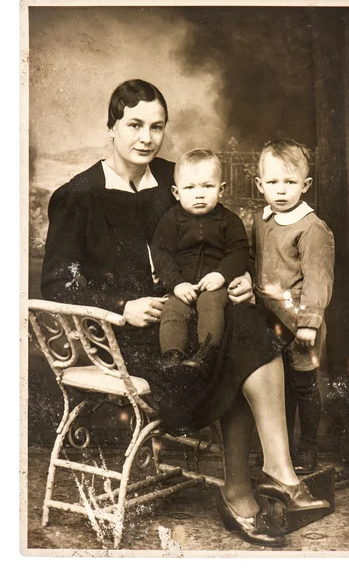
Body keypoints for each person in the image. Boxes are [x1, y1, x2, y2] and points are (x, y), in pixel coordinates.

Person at [41, 80, 329, 548]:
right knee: (239, 341)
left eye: (157, 127)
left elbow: (224, 240)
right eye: (134, 125)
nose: (146, 138)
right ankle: (249, 489)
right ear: (111, 127)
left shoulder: (178, 181)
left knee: (246, 324)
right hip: (123, 336)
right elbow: (57, 283)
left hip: (193, 315)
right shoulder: (79, 196)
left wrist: (236, 277)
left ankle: (276, 472)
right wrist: (123, 306)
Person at [253, 139, 335, 474]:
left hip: (300, 323)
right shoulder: (262, 220)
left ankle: (308, 449)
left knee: (303, 386)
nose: (281, 190)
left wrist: (309, 322)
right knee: (276, 387)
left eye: (290, 182)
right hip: (268, 320)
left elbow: (318, 278)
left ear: (306, 184)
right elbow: (257, 262)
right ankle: (280, 451)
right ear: (260, 185)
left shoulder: (312, 228)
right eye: (273, 182)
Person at [151, 148, 249, 377]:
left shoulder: (229, 221)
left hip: (215, 286)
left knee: (210, 303)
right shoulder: (170, 221)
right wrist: (176, 284)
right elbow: (161, 254)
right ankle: (171, 357)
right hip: (182, 286)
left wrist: (221, 275)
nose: (199, 194)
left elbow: (239, 251)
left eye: (207, 186)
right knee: (172, 309)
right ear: (176, 192)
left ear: (221, 189)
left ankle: (207, 353)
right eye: (190, 187)